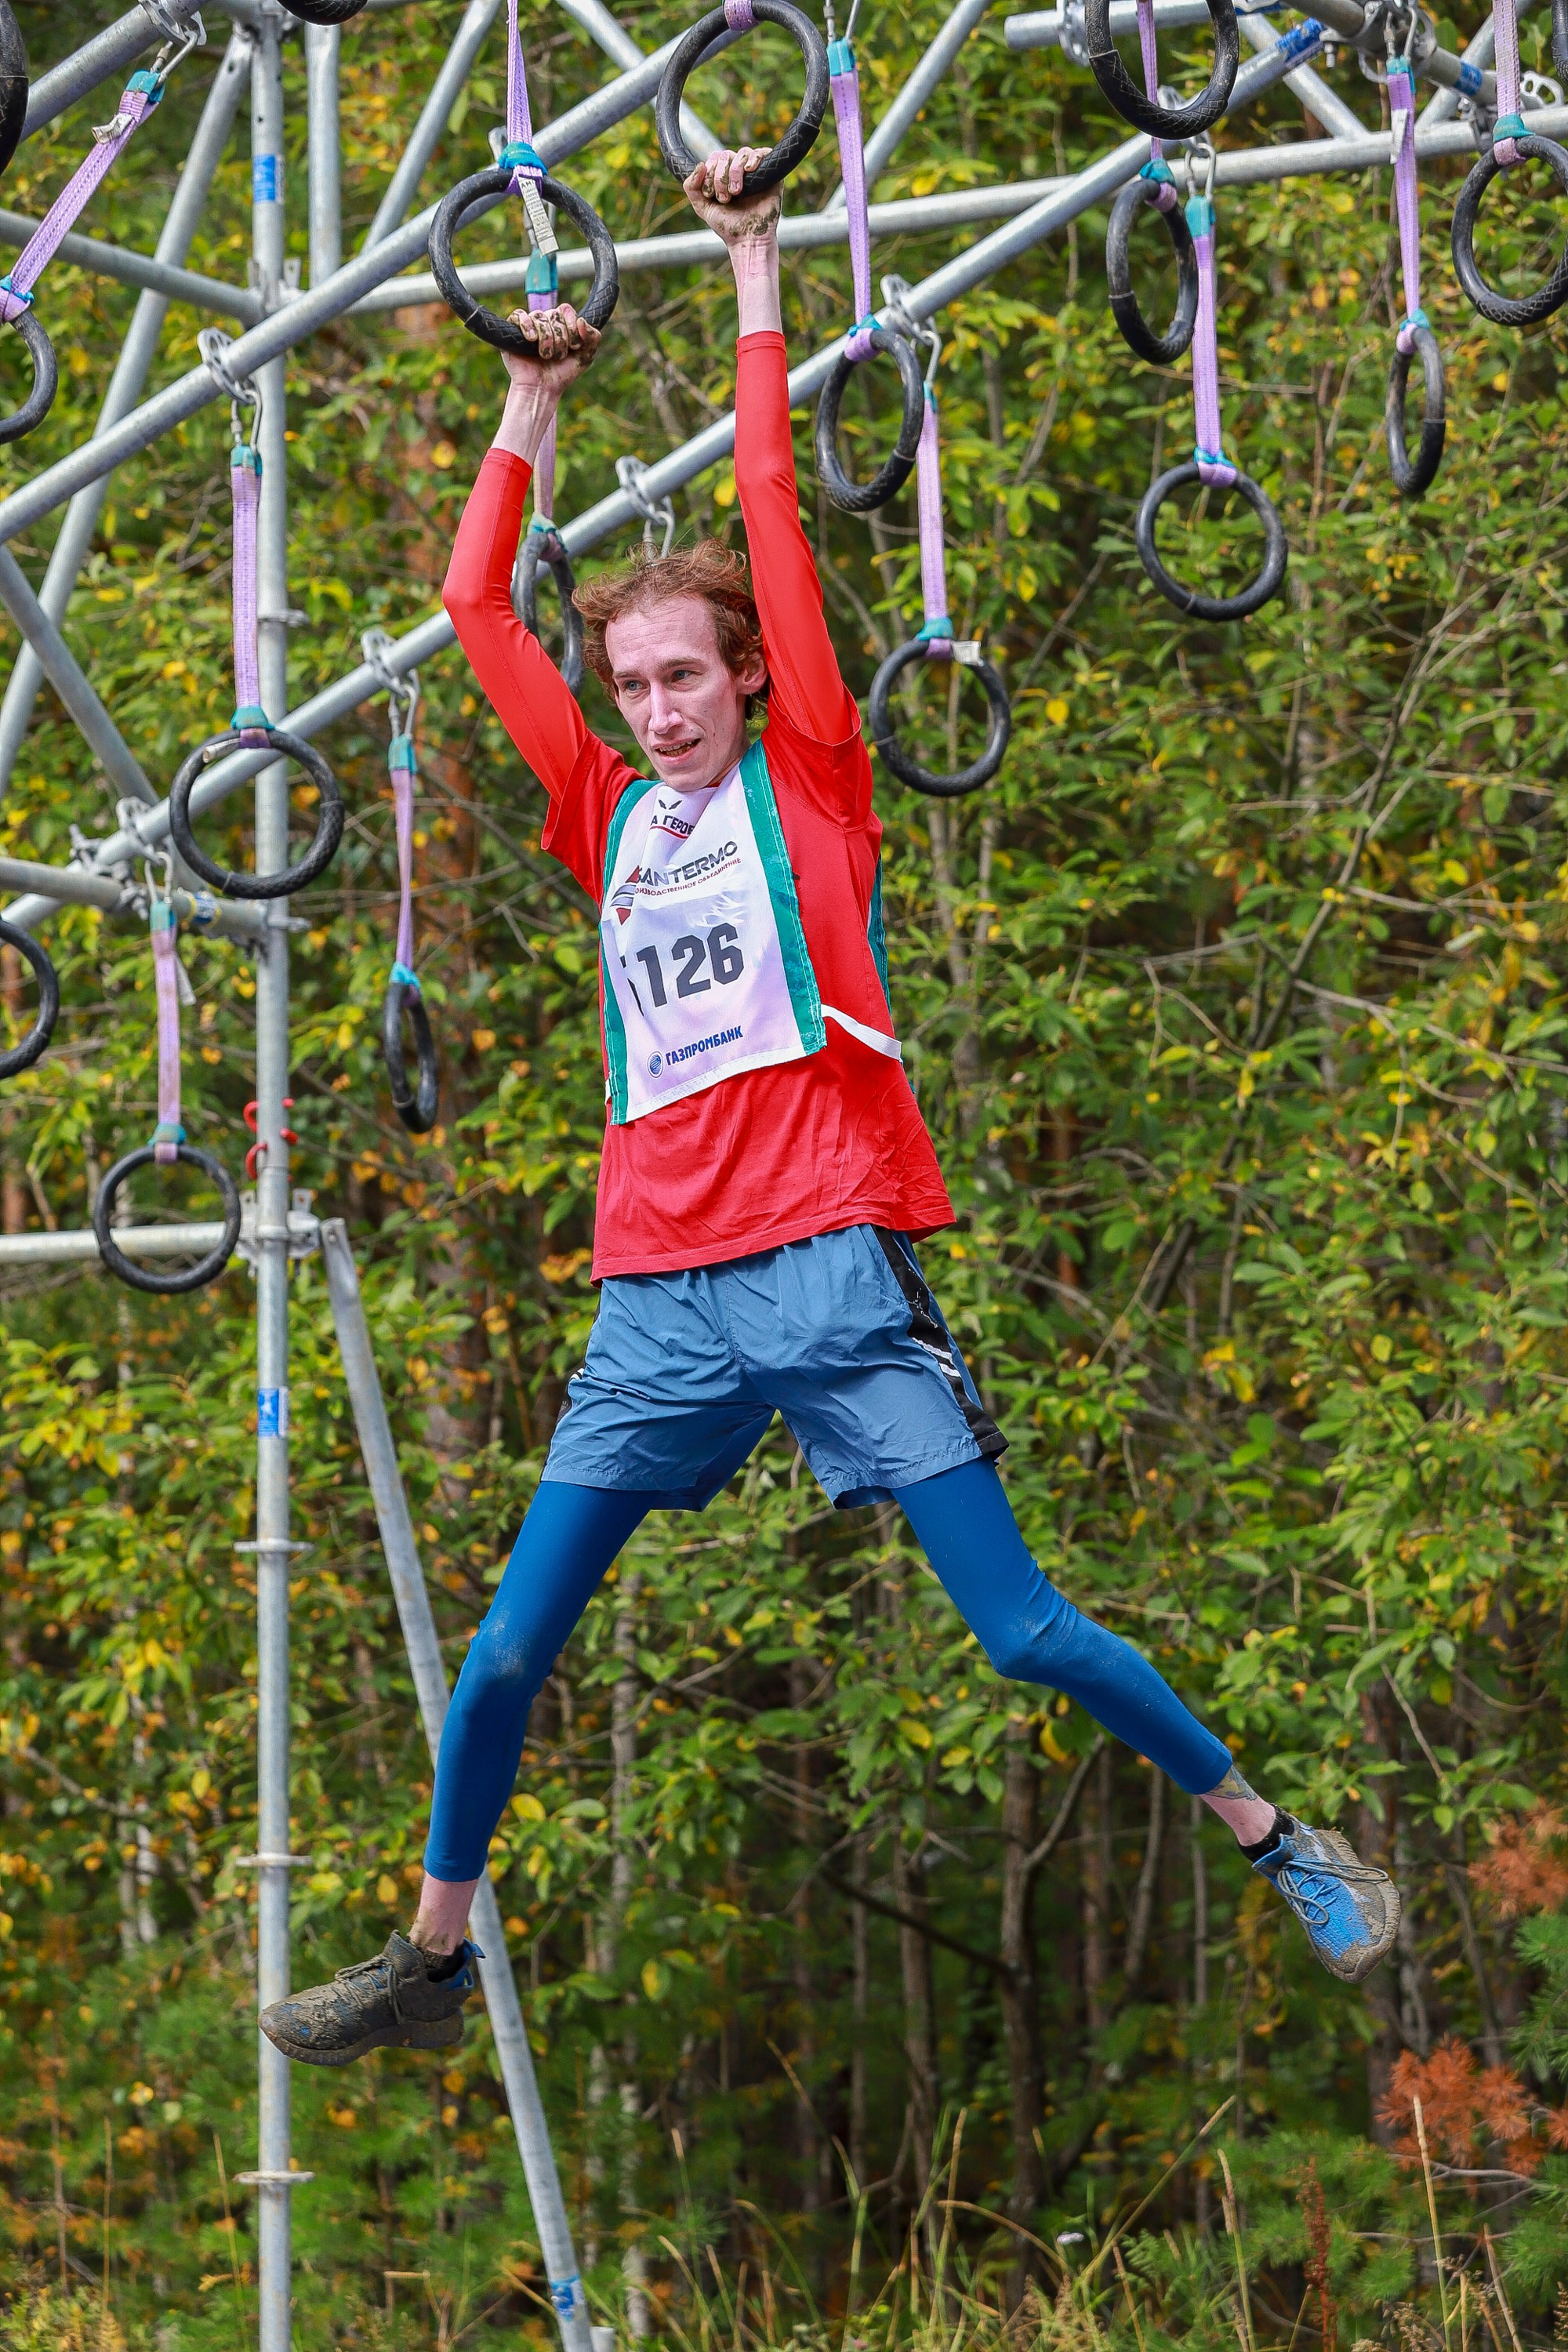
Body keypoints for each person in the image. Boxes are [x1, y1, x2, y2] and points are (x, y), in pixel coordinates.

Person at [261, 151, 1399, 2069]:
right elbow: (471, 603)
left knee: (1024, 1634)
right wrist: (529, 399)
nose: (657, 708)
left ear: (744, 679)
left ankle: (1274, 1836)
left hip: (827, 1274)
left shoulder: (815, 789)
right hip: (658, 1297)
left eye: (684, 675)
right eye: (630, 685)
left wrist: (757, 268)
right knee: (506, 1657)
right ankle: (434, 1958)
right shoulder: (599, 815)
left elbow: (770, 509)